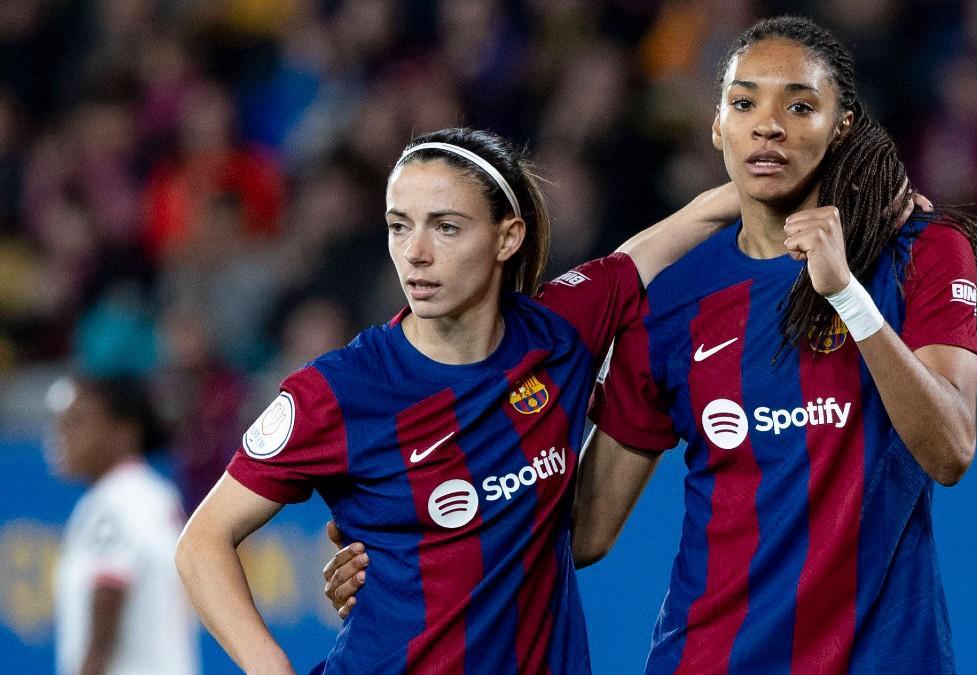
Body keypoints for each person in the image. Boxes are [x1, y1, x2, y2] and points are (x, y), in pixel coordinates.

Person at [324, 15, 977, 674]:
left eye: (799, 106)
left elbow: (950, 447)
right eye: (744, 104)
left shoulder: (922, 252)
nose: (769, 127)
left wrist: (847, 295)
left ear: (842, 128)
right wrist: (398, 543)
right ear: (717, 127)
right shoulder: (672, 299)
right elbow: (585, 529)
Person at [174, 127, 741, 674]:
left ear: (506, 237)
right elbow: (202, 542)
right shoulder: (339, 391)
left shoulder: (558, 335)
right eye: (400, 226)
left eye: (445, 227)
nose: (415, 253)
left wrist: (811, 169)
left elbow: (679, 229)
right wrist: (269, 668)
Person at [46, 375, 198, 675]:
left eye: (77, 422)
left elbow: (106, 609)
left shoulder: (109, 505)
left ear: (124, 430)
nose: (61, 436)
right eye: (60, 424)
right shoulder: (157, 495)